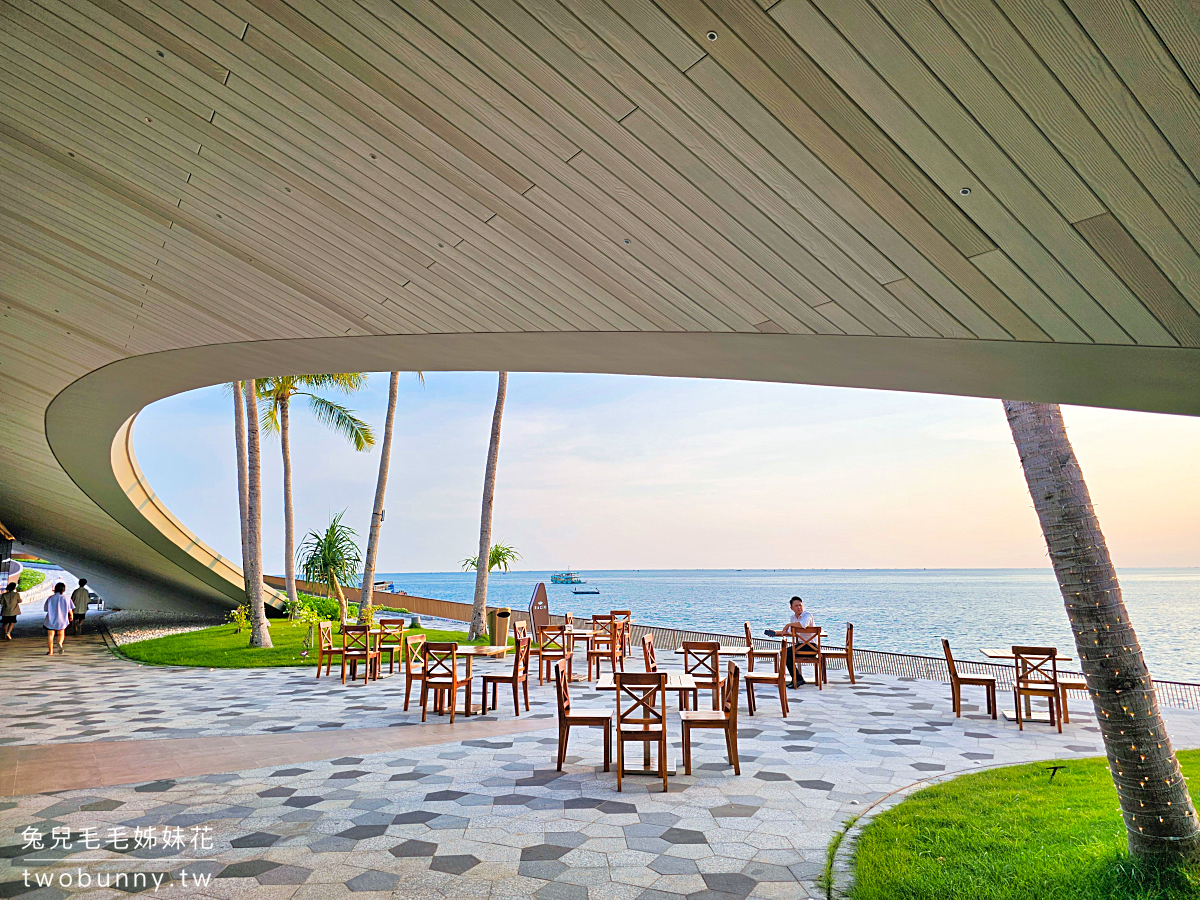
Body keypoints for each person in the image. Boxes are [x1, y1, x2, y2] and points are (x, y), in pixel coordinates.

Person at [764, 596, 817, 688]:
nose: (799, 607)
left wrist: (788, 624)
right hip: (801, 646)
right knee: (785, 652)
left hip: (811, 646)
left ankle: (797, 679)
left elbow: (803, 625)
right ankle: (797, 678)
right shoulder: (793, 618)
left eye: (800, 605)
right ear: (791, 608)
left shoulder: (807, 615)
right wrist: (775, 633)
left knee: (786, 653)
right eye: (796, 606)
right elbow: (789, 632)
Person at [44, 582, 72, 655]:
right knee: (61, 633)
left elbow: (46, 608)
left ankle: (50, 652)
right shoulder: (67, 598)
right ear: (63, 589)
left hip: (51, 618)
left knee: (50, 635)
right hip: (62, 619)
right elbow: (70, 609)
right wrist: (71, 615)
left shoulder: (50, 598)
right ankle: (59, 643)